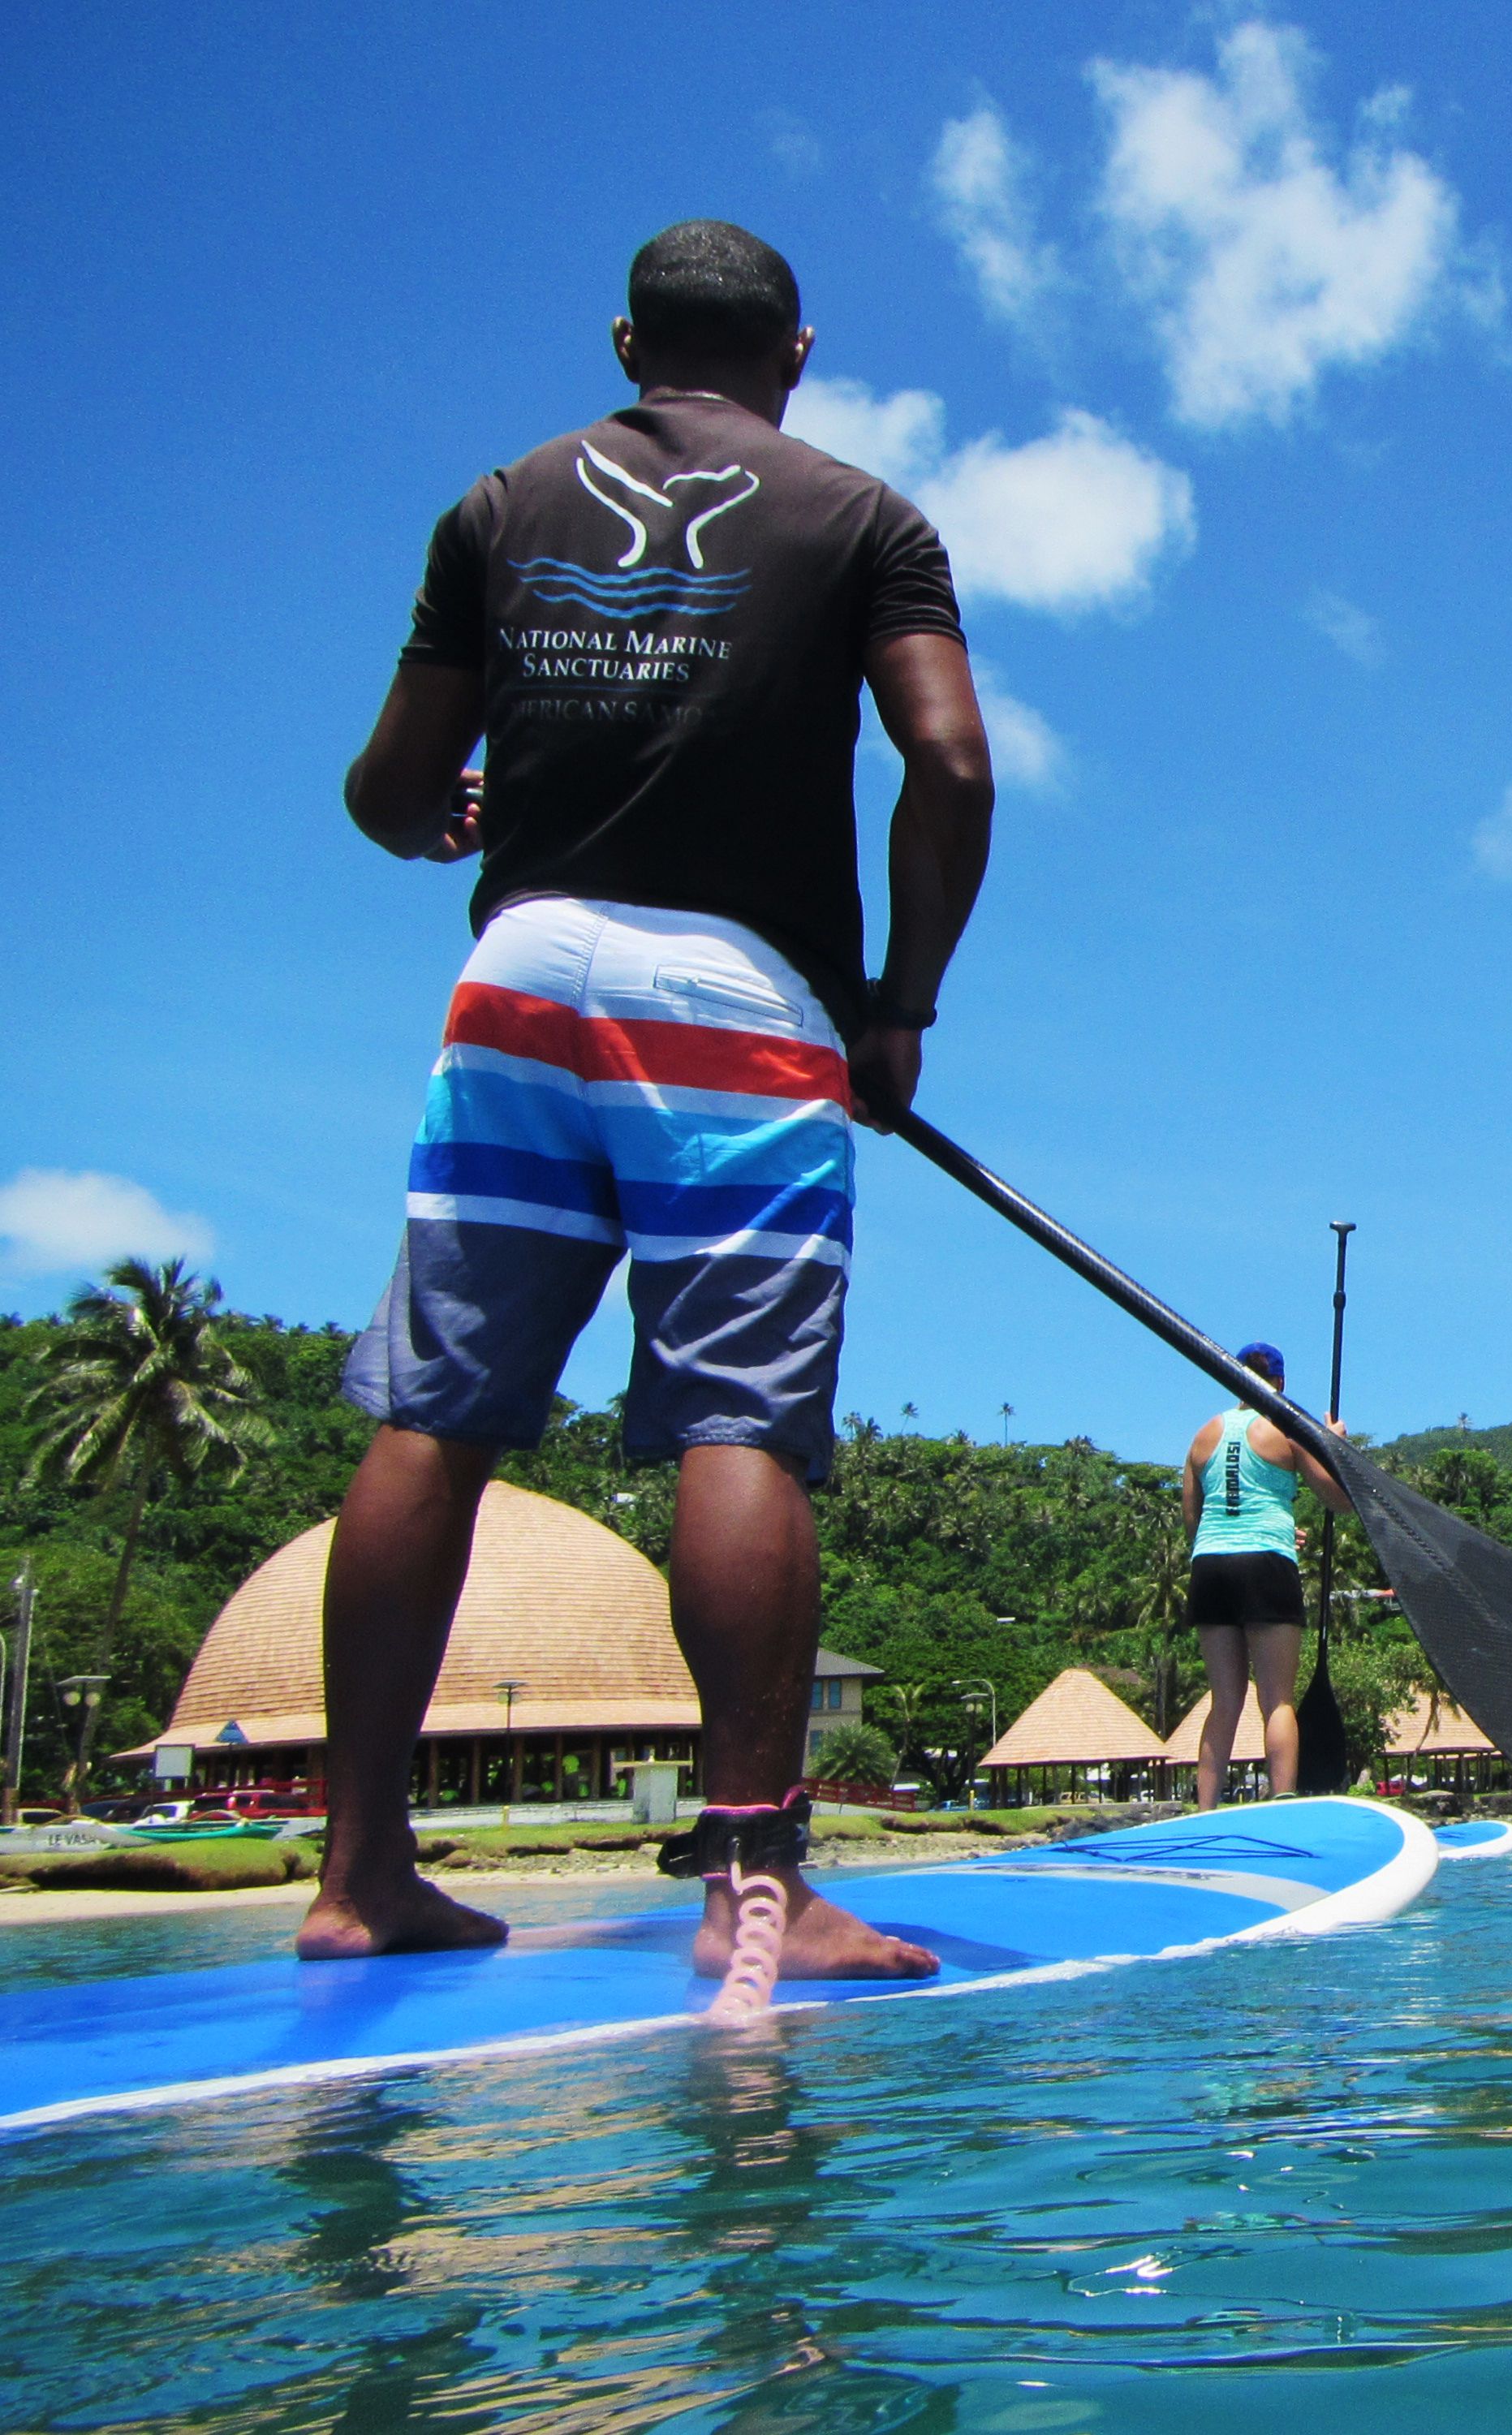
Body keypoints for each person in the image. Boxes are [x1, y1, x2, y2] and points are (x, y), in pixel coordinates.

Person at [299, 221, 997, 1980]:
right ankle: (753, 1887)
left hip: (517, 983)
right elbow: (950, 763)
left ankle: (359, 1874)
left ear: (628, 344)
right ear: (799, 352)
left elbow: (388, 792)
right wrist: (898, 1009)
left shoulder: (498, 504)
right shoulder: (863, 520)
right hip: (739, 1003)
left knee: (436, 1420)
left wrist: (437, 814)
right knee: (738, 1427)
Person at [1179, 1346, 1350, 1808]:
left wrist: (1262, 1529)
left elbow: (1195, 1519)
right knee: (1277, 1699)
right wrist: (1332, 1443)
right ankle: (1283, 1801)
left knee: (1224, 1700)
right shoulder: (1287, 1427)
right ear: (1279, 1383)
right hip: (1266, 1566)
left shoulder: (1203, 1435)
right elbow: (1341, 1499)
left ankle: (1205, 1809)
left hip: (1210, 1565)